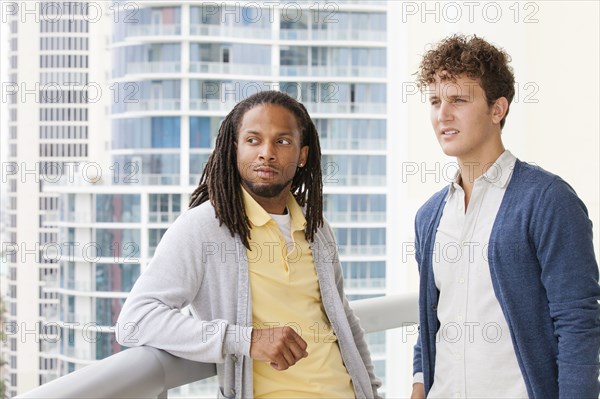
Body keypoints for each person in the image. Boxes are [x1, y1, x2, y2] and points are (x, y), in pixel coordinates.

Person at [116, 90, 381, 399]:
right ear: (235, 149)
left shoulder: (316, 226)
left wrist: (373, 392)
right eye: (253, 140)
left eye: (282, 141)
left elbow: (343, 318)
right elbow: (135, 320)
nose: (266, 153)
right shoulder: (204, 227)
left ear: (303, 155)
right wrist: (247, 339)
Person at [410, 34, 600, 398]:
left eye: (458, 100)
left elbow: (578, 322)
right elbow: (431, 321)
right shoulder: (429, 216)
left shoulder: (548, 200)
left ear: (497, 109)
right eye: (435, 101)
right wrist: (419, 385)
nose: (442, 114)